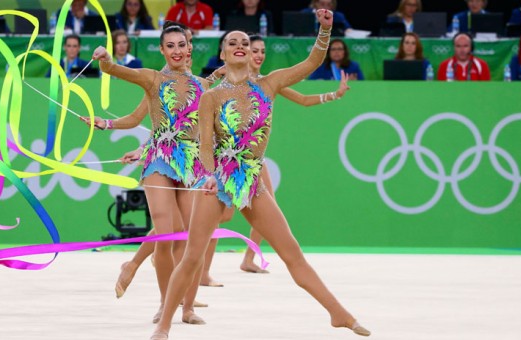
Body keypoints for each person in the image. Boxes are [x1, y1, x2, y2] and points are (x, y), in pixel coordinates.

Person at [147, 10, 371, 340]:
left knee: (292, 252)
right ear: (222, 54)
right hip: (218, 183)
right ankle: (164, 325)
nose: (240, 45)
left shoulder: (270, 84)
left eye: (245, 42)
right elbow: (205, 145)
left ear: (252, 53)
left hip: (252, 182)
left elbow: (311, 62)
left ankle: (338, 313)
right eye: (232, 42)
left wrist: (325, 28)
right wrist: (208, 174)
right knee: (192, 257)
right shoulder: (211, 96)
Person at [92, 24, 211, 326]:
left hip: (190, 163)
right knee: (166, 233)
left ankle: (183, 305)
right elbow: (119, 77)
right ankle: (165, 305)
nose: (176, 51)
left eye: (181, 44)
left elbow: (203, 130)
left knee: (187, 238)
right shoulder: (153, 79)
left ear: (190, 47)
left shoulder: (202, 86)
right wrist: (106, 61)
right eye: (169, 46)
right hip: (159, 160)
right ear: (161, 50)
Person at [239, 34, 351, 273]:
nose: (258, 55)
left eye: (262, 51)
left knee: (268, 206)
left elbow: (302, 99)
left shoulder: (269, 82)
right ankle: (167, 244)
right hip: (233, 158)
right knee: (220, 215)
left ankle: (248, 258)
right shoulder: (230, 82)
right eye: (254, 50)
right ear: (243, 52)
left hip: (256, 158)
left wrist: (334, 94)